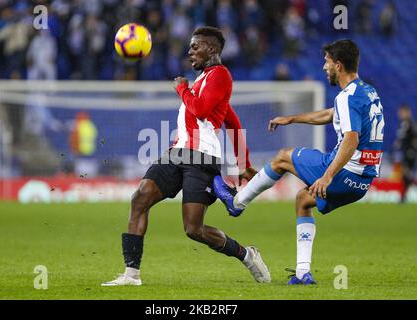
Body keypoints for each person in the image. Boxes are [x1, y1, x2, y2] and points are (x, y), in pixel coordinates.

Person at [102, 26, 270, 286]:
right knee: (140, 198)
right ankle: (131, 275)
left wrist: (181, 89)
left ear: (211, 49)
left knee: (194, 230)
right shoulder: (203, 81)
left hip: (202, 157)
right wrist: (244, 163)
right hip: (177, 154)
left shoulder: (220, 75)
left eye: (195, 46)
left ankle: (247, 255)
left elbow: (202, 110)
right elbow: (233, 123)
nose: (190, 51)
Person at [214, 39, 385, 285]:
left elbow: (350, 139)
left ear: (338, 65)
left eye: (326, 63)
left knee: (283, 156)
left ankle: (237, 203)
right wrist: (292, 118)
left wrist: (327, 176)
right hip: (362, 181)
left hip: (343, 172)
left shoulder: (347, 97)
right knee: (303, 200)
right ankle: (303, 273)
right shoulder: (367, 92)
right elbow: (330, 115)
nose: (323, 67)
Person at [393, 104, 417, 203]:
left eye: (402, 112)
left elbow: (415, 137)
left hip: (410, 152)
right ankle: (403, 197)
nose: (400, 114)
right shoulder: (404, 123)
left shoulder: (410, 123)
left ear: (407, 112)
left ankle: (403, 197)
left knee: (407, 173)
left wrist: (413, 150)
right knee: (405, 175)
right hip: (405, 151)